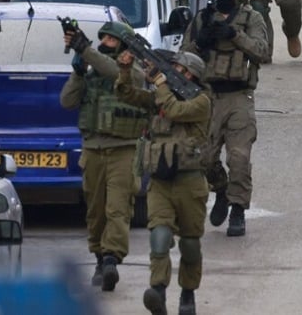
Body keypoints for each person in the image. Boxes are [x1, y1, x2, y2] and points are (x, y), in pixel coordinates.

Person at [114, 51, 212, 315]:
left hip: (190, 183)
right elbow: (128, 95)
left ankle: (188, 293)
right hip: (160, 182)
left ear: (189, 75)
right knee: (159, 236)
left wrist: (160, 83)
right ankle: (157, 290)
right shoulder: (159, 97)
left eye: (177, 69)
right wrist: (125, 70)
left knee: (190, 244)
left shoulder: (201, 101)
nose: (171, 72)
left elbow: (174, 110)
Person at [180, 0, 269, 237]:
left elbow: (262, 51)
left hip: (239, 97)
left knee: (239, 158)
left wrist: (234, 34)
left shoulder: (250, 18)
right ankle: (221, 190)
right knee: (202, 158)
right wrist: (201, 41)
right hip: (207, 97)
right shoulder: (203, 18)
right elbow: (184, 56)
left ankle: (239, 210)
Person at [60, 20, 148, 292]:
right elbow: (67, 101)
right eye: (102, 39)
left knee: (118, 209)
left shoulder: (133, 70)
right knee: (95, 211)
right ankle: (99, 256)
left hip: (124, 149)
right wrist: (77, 71)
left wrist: (86, 51)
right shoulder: (91, 72)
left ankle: (112, 259)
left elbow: (116, 72)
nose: (105, 43)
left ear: (123, 44)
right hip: (93, 148)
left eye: (110, 40)